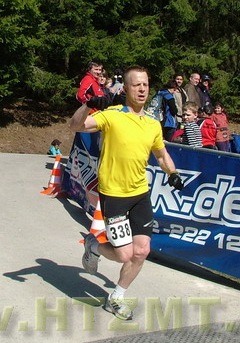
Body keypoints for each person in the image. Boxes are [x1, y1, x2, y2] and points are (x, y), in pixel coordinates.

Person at [69, 66, 184, 321]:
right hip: (114, 195)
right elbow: (75, 126)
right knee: (124, 254)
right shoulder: (112, 115)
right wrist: (89, 104)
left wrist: (172, 173)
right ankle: (93, 246)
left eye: (145, 85)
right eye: (136, 85)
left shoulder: (152, 123)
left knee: (141, 251)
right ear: (127, 88)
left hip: (140, 194)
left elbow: (161, 155)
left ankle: (117, 297)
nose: (142, 89)